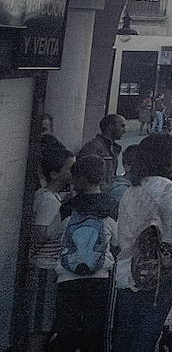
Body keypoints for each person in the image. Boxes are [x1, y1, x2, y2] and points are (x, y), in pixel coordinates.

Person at [114, 134, 172, 352]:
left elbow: (119, 234)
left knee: (125, 337)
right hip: (158, 274)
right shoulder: (168, 189)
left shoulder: (131, 190)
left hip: (126, 271)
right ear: (166, 157)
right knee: (146, 336)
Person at [51, 154, 118, 352]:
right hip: (100, 275)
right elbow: (117, 240)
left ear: (79, 178)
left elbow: (53, 234)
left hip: (67, 276)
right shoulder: (110, 206)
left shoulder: (67, 208)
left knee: (67, 328)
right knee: (96, 329)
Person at [23, 145, 72, 352]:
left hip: (47, 268)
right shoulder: (48, 201)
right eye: (69, 168)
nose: (73, 172)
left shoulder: (50, 197)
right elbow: (39, 235)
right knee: (40, 325)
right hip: (44, 268)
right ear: (54, 174)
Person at [77, 113, 124, 188]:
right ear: (111, 126)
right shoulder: (93, 147)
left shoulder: (112, 148)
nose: (124, 130)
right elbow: (85, 175)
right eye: (122, 126)